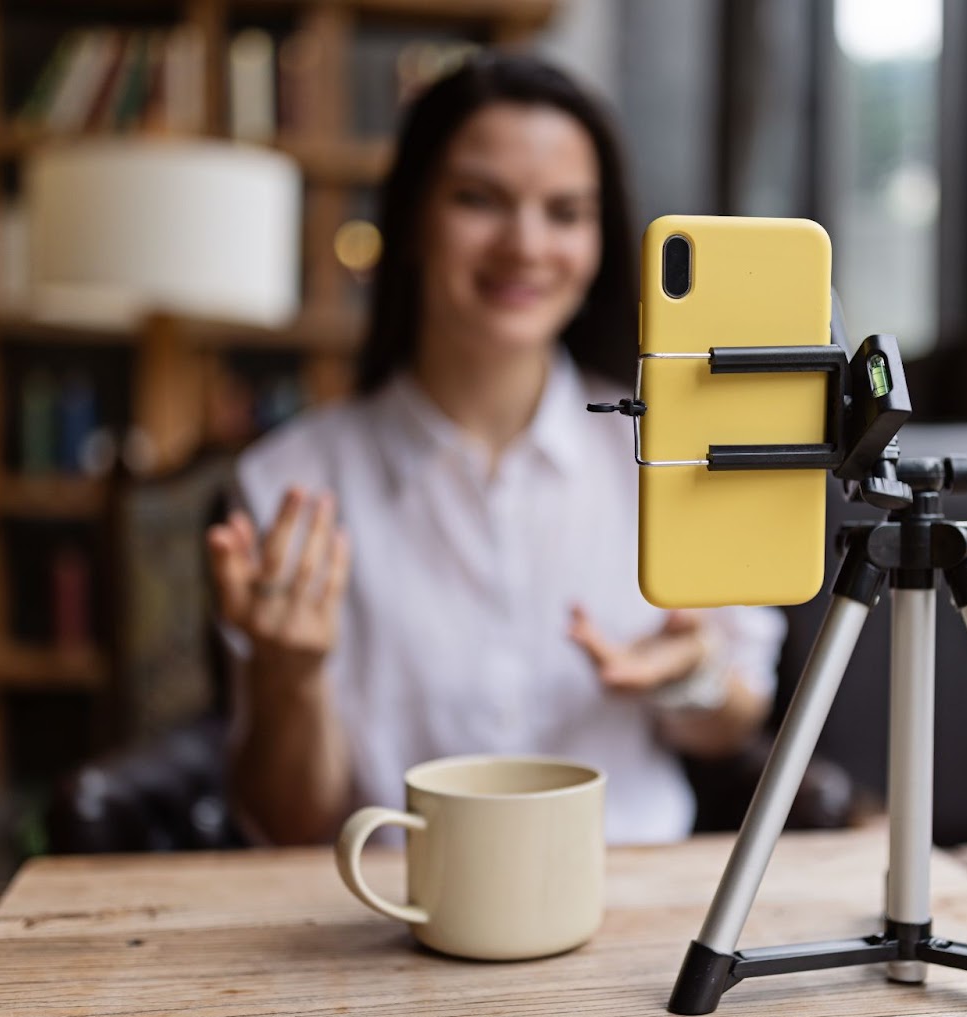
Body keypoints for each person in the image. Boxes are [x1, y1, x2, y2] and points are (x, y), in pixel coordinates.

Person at [205, 53, 785, 847]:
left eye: (566, 212)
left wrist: (690, 677)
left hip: (639, 906)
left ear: (600, 239)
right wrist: (291, 677)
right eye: (479, 200)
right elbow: (290, 821)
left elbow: (736, 717)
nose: (526, 245)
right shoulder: (291, 483)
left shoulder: (673, 451)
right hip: (396, 916)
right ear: (411, 217)